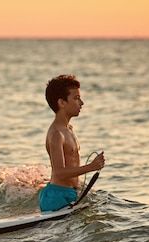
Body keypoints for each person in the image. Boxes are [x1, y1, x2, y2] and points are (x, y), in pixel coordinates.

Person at [39, 75, 105, 211]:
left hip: (71, 193)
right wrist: (91, 167)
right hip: (56, 197)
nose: (81, 103)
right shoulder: (56, 133)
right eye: (76, 98)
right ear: (62, 103)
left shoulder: (69, 129)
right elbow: (59, 173)